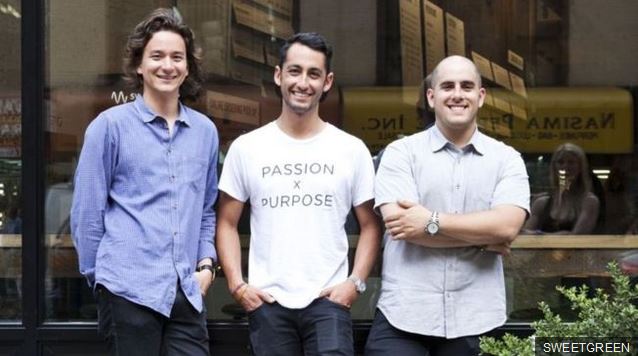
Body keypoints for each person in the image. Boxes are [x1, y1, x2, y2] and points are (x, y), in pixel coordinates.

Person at [216, 32, 380, 356]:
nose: (303, 82)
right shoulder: (247, 148)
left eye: (313, 74)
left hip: (328, 302)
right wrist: (238, 286)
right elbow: (226, 223)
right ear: (279, 76)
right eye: (294, 71)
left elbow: (372, 225)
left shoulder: (351, 149)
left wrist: (354, 284)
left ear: (327, 81)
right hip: (267, 303)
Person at [70, 8, 218, 355]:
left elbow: (206, 209)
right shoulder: (109, 128)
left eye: (177, 57)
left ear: (187, 66)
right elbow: (87, 214)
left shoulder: (205, 133)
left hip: (186, 294)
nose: (167, 65)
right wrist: (103, 282)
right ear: (139, 65)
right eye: (157, 56)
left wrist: (206, 265)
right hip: (127, 291)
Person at [365, 55, 530, 356]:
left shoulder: (507, 159)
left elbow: (507, 226)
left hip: (477, 320)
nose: (457, 94)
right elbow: (403, 227)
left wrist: (431, 221)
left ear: (480, 97)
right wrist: (483, 239)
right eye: (447, 86)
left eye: (467, 86)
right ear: (431, 97)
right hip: (403, 318)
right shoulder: (400, 153)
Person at [523, 143, 599, 234]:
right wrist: (561, 234)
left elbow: (576, 239)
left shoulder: (589, 202)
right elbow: (525, 235)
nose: (565, 167)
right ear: (554, 167)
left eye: (571, 162)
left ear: (580, 167)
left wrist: (538, 235)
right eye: (560, 162)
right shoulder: (541, 203)